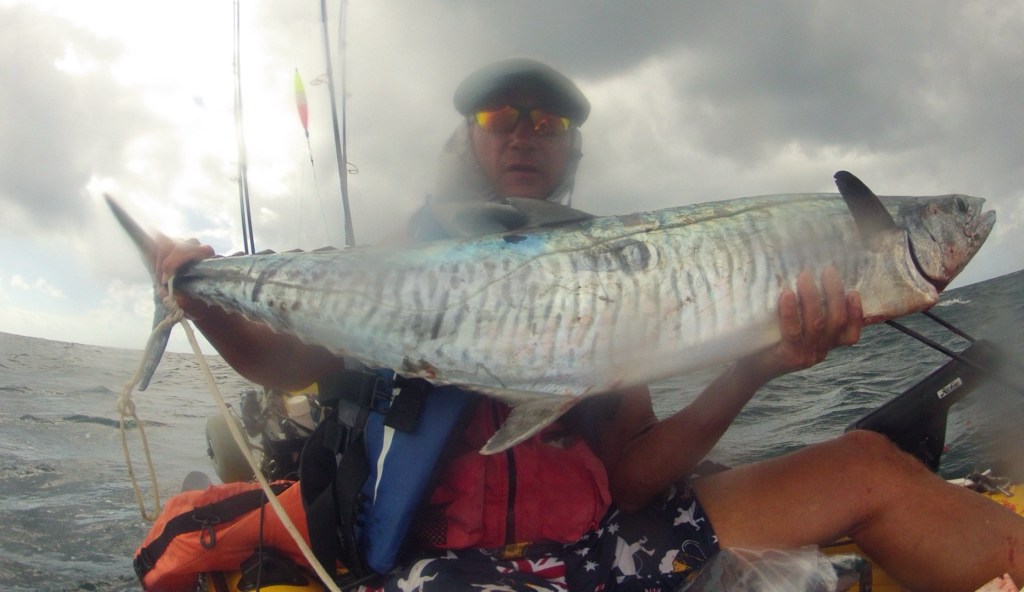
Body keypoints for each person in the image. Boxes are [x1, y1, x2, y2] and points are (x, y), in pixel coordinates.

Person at [156, 59, 1024, 591]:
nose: (524, 135)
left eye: (548, 122)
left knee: (870, 464)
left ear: (570, 146)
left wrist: (755, 367)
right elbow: (280, 364)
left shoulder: (619, 265)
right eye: (500, 119)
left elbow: (636, 477)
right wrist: (197, 292)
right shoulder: (401, 257)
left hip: (602, 542)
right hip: (440, 567)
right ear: (469, 140)